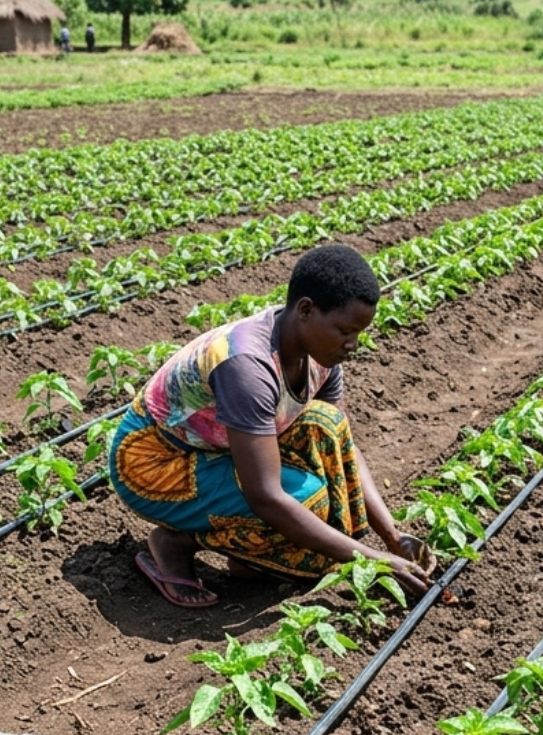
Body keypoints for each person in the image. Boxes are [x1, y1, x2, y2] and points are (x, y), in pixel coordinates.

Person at [108, 244, 435, 608]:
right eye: (345, 330)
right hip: (151, 464)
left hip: (212, 452)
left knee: (327, 425)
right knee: (307, 503)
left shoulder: (320, 358)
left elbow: (343, 444)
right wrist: (371, 560)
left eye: (358, 333)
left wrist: (392, 537)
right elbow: (265, 496)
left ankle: (253, 555)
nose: (353, 344)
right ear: (306, 310)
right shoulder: (248, 366)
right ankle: (177, 543)